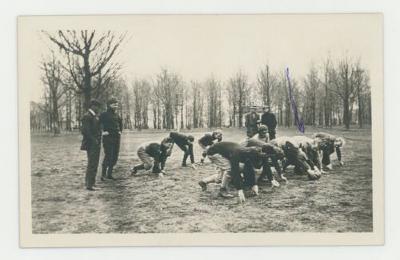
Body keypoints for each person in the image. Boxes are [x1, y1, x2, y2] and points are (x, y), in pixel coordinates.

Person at [199, 141, 266, 203]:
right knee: (229, 170)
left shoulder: (247, 153)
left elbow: (250, 168)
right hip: (214, 153)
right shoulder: (236, 154)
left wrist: (254, 184)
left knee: (222, 177)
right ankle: (223, 190)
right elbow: (235, 172)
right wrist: (239, 190)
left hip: (222, 153)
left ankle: (204, 181)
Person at [80, 99, 102, 191]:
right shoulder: (87, 116)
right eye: (97, 107)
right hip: (91, 144)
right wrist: (94, 140)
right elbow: (85, 131)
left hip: (95, 143)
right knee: (92, 163)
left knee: (94, 163)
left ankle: (90, 183)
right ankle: (90, 185)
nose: (98, 109)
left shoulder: (93, 116)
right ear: (93, 106)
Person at [99, 97, 123, 181]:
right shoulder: (104, 114)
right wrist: (102, 132)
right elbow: (98, 124)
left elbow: (120, 124)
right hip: (108, 138)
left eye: (117, 104)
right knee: (108, 156)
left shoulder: (117, 115)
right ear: (109, 105)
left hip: (116, 138)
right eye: (114, 104)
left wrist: (120, 131)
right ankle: (103, 175)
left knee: (114, 157)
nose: (116, 106)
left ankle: (109, 174)